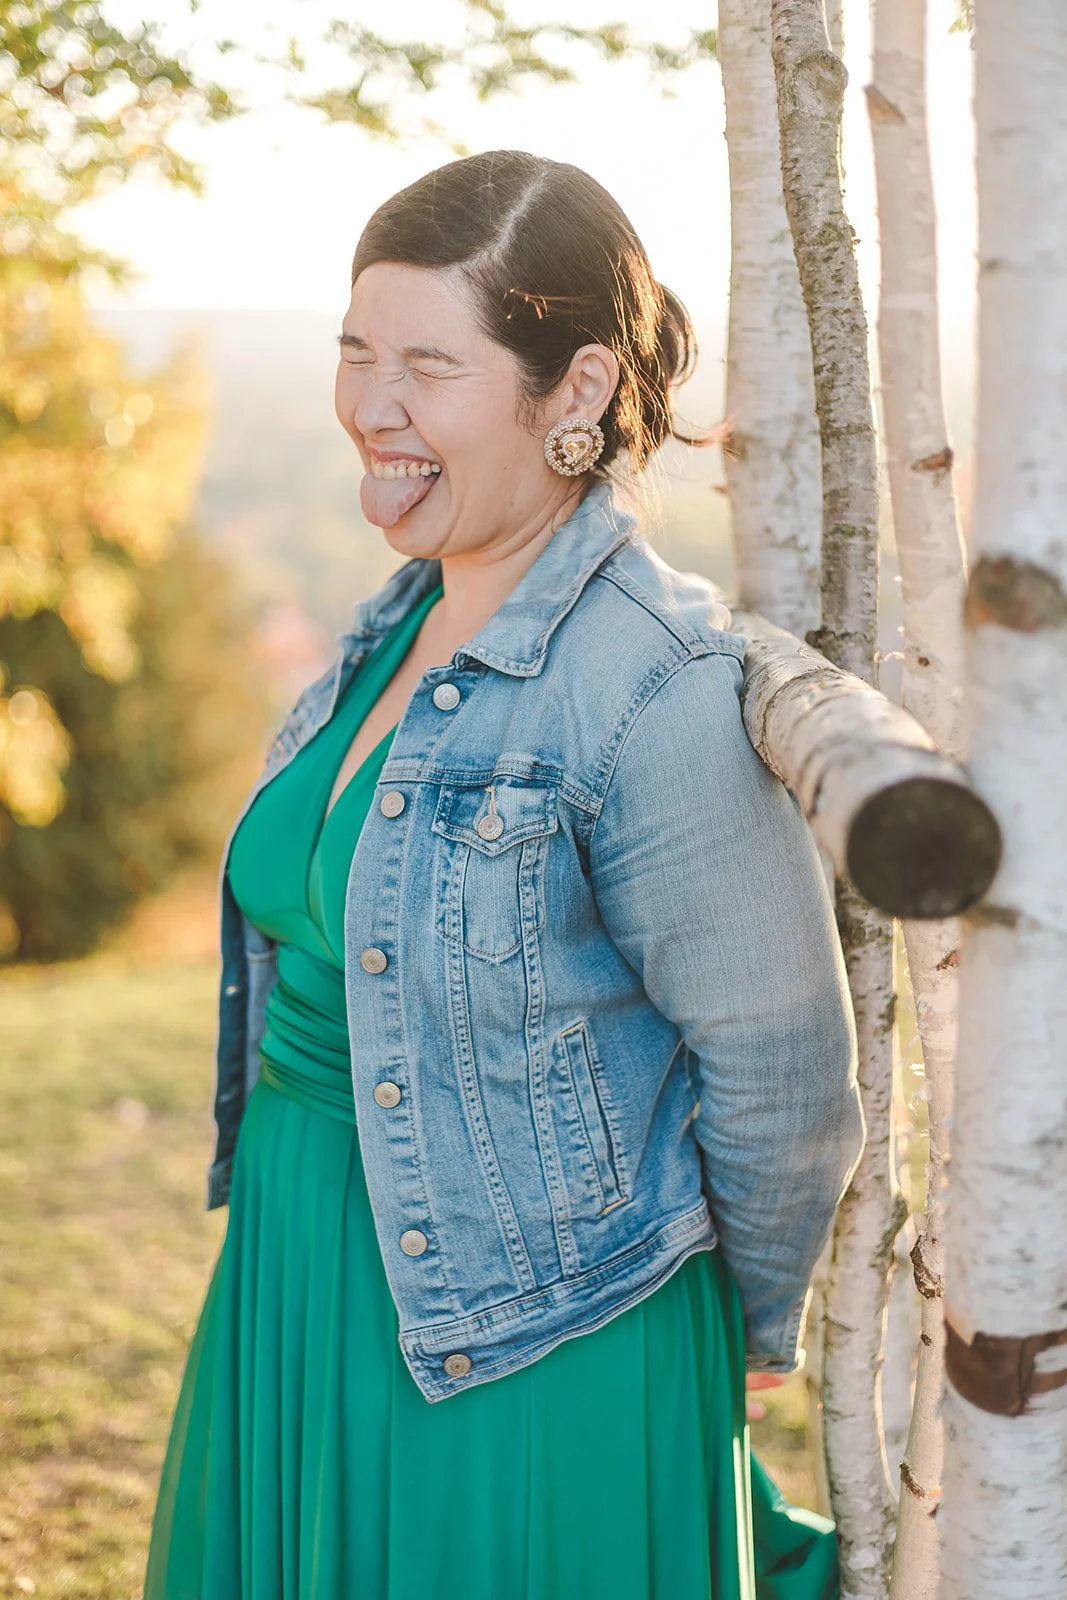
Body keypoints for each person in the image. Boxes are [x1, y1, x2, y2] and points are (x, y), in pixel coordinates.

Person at [144, 149, 865, 1600]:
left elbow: (784, 1073)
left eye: (428, 365)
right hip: (301, 1262)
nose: (373, 405)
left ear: (576, 390)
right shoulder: (391, 624)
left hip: (539, 1349)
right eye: (357, 350)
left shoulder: (650, 688)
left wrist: (742, 1333)